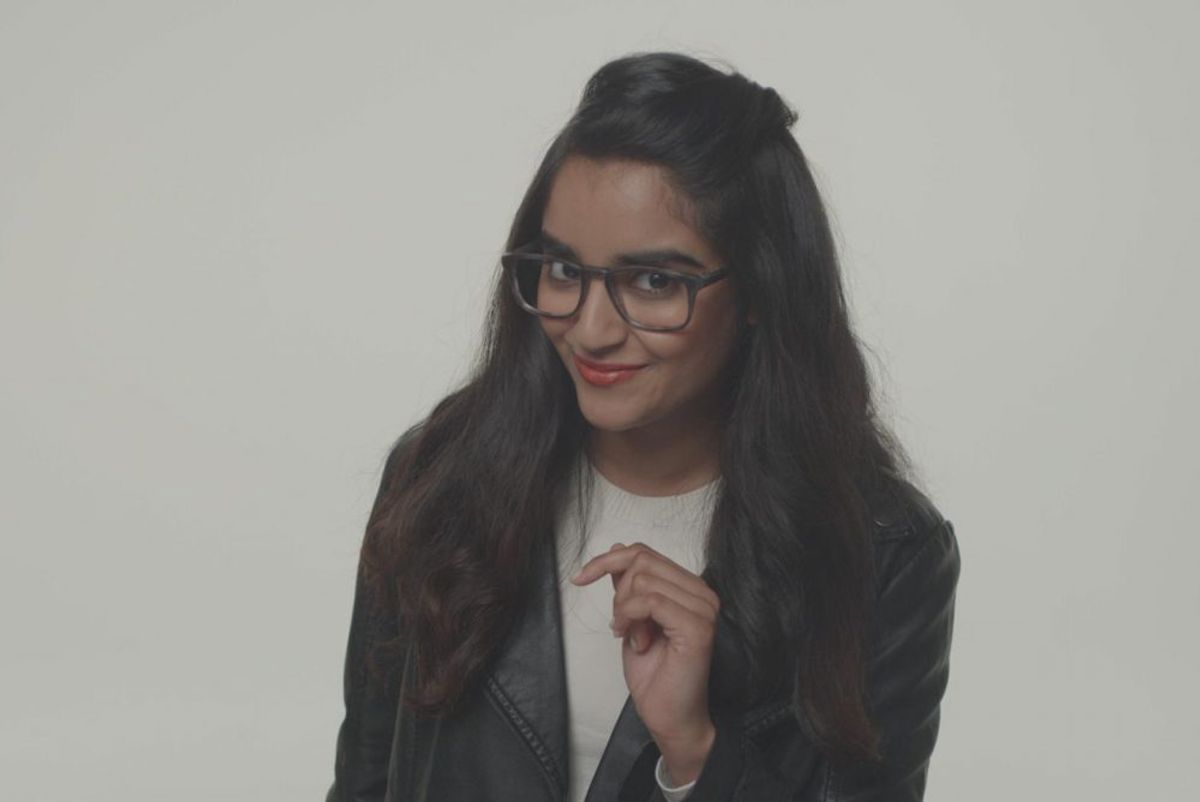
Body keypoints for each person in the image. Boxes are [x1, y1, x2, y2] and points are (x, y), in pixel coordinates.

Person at [326, 50, 961, 802]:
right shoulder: (439, 478)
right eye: (564, 270)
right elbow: (364, 784)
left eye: (654, 281)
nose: (591, 330)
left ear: (761, 289)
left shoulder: (881, 553)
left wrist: (693, 754)